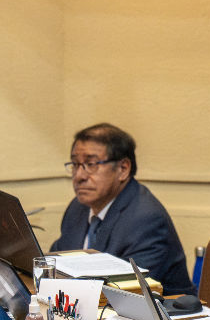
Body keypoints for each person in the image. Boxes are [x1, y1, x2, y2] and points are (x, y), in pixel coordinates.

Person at [51, 123, 194, 296]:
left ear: (123, 169)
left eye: (91, 164)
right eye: (75, 164)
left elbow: (124, 292)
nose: (79, 176)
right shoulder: (78, 208)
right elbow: (53, 266)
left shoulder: (146, 219)